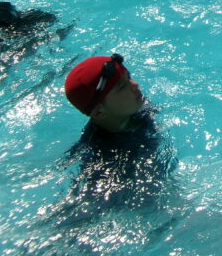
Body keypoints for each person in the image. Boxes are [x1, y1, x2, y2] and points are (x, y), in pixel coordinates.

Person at [63, 54, 171, 209]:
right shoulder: (107, 162)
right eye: (122, 86)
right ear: (99, 112)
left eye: (129, 77)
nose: (135, 85)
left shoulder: (136, 106)